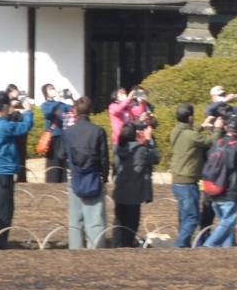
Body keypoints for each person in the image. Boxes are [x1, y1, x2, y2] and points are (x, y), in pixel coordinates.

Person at [0, 89, 33, 248]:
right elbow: (25, 127)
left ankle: (0, 242)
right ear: (4, 106)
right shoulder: (3, 126)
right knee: (5, 212)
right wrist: (28, 111)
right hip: (2, 173)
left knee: (1, 210)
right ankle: (1, 245)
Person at [59, 97, 109, 249]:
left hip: (75, 177)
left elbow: (61, 155)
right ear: (91, 111)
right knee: (95, 220)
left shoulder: (68, 133)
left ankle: (75, 249)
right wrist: (104, 177)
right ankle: (95, 249)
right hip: (93, 178)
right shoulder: (98, 131)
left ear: (75, 111)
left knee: (75, 219)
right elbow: (104, 158)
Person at [167, 104, 214, 249]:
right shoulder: (191, 135)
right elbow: (209, 141)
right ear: (190, 117)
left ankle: (184, 244)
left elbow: (190, 136)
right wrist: (217, 129)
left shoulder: (176, 131)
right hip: (188, 182)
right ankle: (180, 246)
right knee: (193, 218)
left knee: (184, 217)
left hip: (177, 181)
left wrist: (201, 127)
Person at [201, 123, 237, 247]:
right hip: (230, 190)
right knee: (228, 223)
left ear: (226, 128)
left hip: (213, 189)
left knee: (226, 226)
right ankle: (208, 246)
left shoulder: (217, 144)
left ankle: (228, 251)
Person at [110, 118, 158, 248]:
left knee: (118, 223)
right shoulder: (141, 150)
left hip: (119, 192)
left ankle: (115, 247)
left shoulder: (117, 149)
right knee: (131, 225)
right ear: (134, 134)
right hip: (134, 195)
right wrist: (149, 140)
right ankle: (127, 247)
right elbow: (155, 158)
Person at [39, 85, 71, 184]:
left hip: (62, 136)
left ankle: (62, 181)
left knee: (62, 162)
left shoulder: (61, 104)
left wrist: (71, 97)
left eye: (53, 88)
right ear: (46, 93)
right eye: (50, 89)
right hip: (52, 138)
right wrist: (57, 101)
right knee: (53, 162)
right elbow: (48, 112)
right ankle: (52, 182)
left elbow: (73, 108)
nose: (53, 90)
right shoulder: (45, 104)